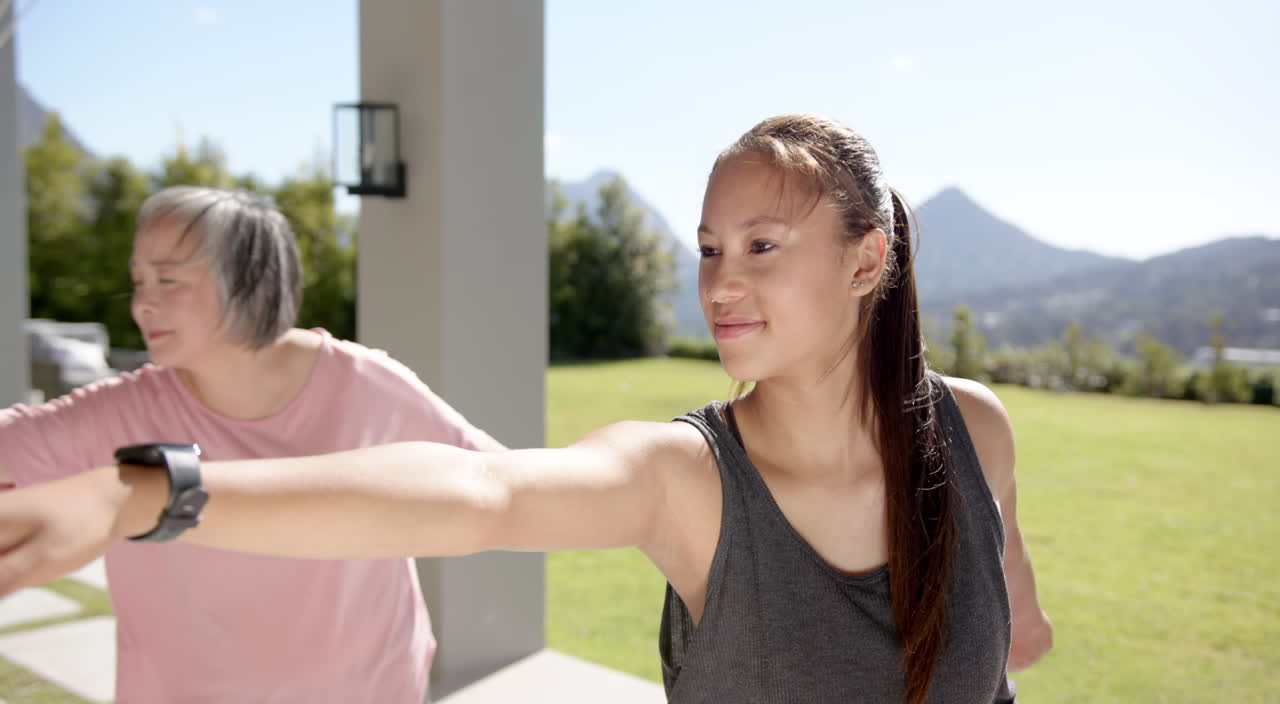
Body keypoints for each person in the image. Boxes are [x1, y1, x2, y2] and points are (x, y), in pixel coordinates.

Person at [0, 116, 1052, 703]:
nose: (721, 280)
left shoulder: (973, 430)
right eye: (707, 249)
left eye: (761, 246)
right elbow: (476, 492)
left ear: (867, 259)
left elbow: (1012, 640)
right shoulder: (681, 478)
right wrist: (148, 491)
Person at [0, 186, 503, 702]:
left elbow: (499, 477)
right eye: (138, 282)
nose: (142, 304)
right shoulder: (121, 413)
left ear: (253, 280)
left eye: (168, 280)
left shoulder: (367, 387)